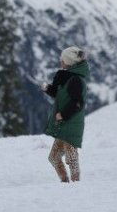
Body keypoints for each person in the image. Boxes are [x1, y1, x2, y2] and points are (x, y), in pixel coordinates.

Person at [42, 46, 90, 183]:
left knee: (71, 157)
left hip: (70, 124)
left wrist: (63, 114)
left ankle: (75, 184)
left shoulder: (75, 80)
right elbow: (61, 95)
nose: (60, 61)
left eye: (62, 59)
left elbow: (77, 103)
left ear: (69, 62)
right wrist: (48, 89)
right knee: (53, 157)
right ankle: (65, 182)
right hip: (64, 124)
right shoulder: (67, 77)